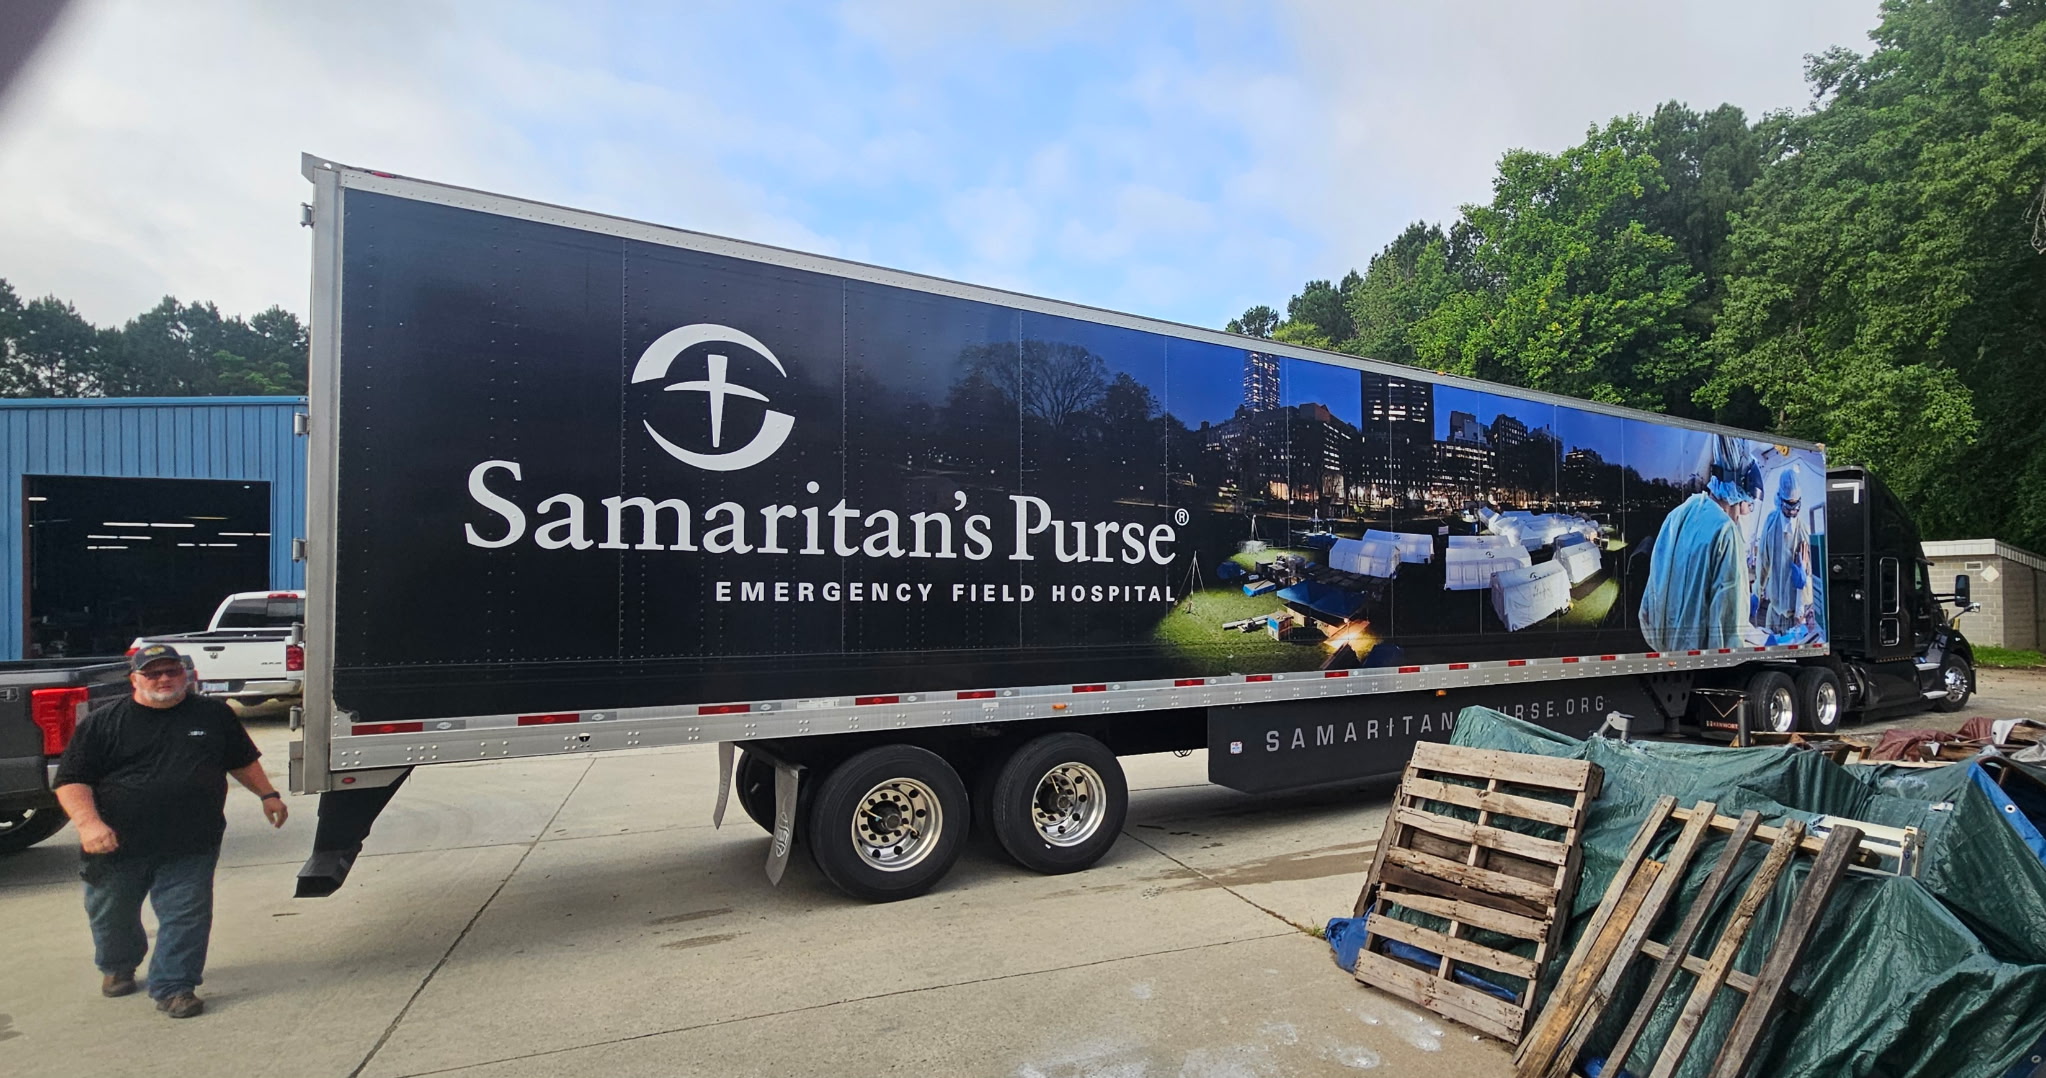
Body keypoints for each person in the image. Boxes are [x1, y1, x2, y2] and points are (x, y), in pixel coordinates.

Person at [51, 643, 288, 1019]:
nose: (164, 679)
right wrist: (89, 825)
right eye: (153, 673)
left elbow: (241, 759)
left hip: (193, 838)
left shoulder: (213, 714)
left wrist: (268, 794)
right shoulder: (103, 723)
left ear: (186, 674)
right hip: (116, 844)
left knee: (186, 914)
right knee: (112, 914)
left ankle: (175, 987)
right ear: (135, 679)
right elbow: (71, 781)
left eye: (171, 671)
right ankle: (119, 963)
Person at [1638, 435, 1764, 652]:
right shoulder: (1725, 532)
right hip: (1702, 663)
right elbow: (1726, 637)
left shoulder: (1677, 516)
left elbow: (1649, 606)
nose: (1749, 508)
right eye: (1750, 502)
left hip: (1666, 653)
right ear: (1743, 485)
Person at [1752, 470, 1813, 638]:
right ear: (1779, 500)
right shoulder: (1771, 524)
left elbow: (1809, 576)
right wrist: (1757, 592)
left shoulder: (1803, 532)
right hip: (1774, 612)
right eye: (1789, 506)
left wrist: (1804, 582)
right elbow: (1763, 562)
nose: (1792, 512)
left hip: (1795, 616)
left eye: (1796, 506)